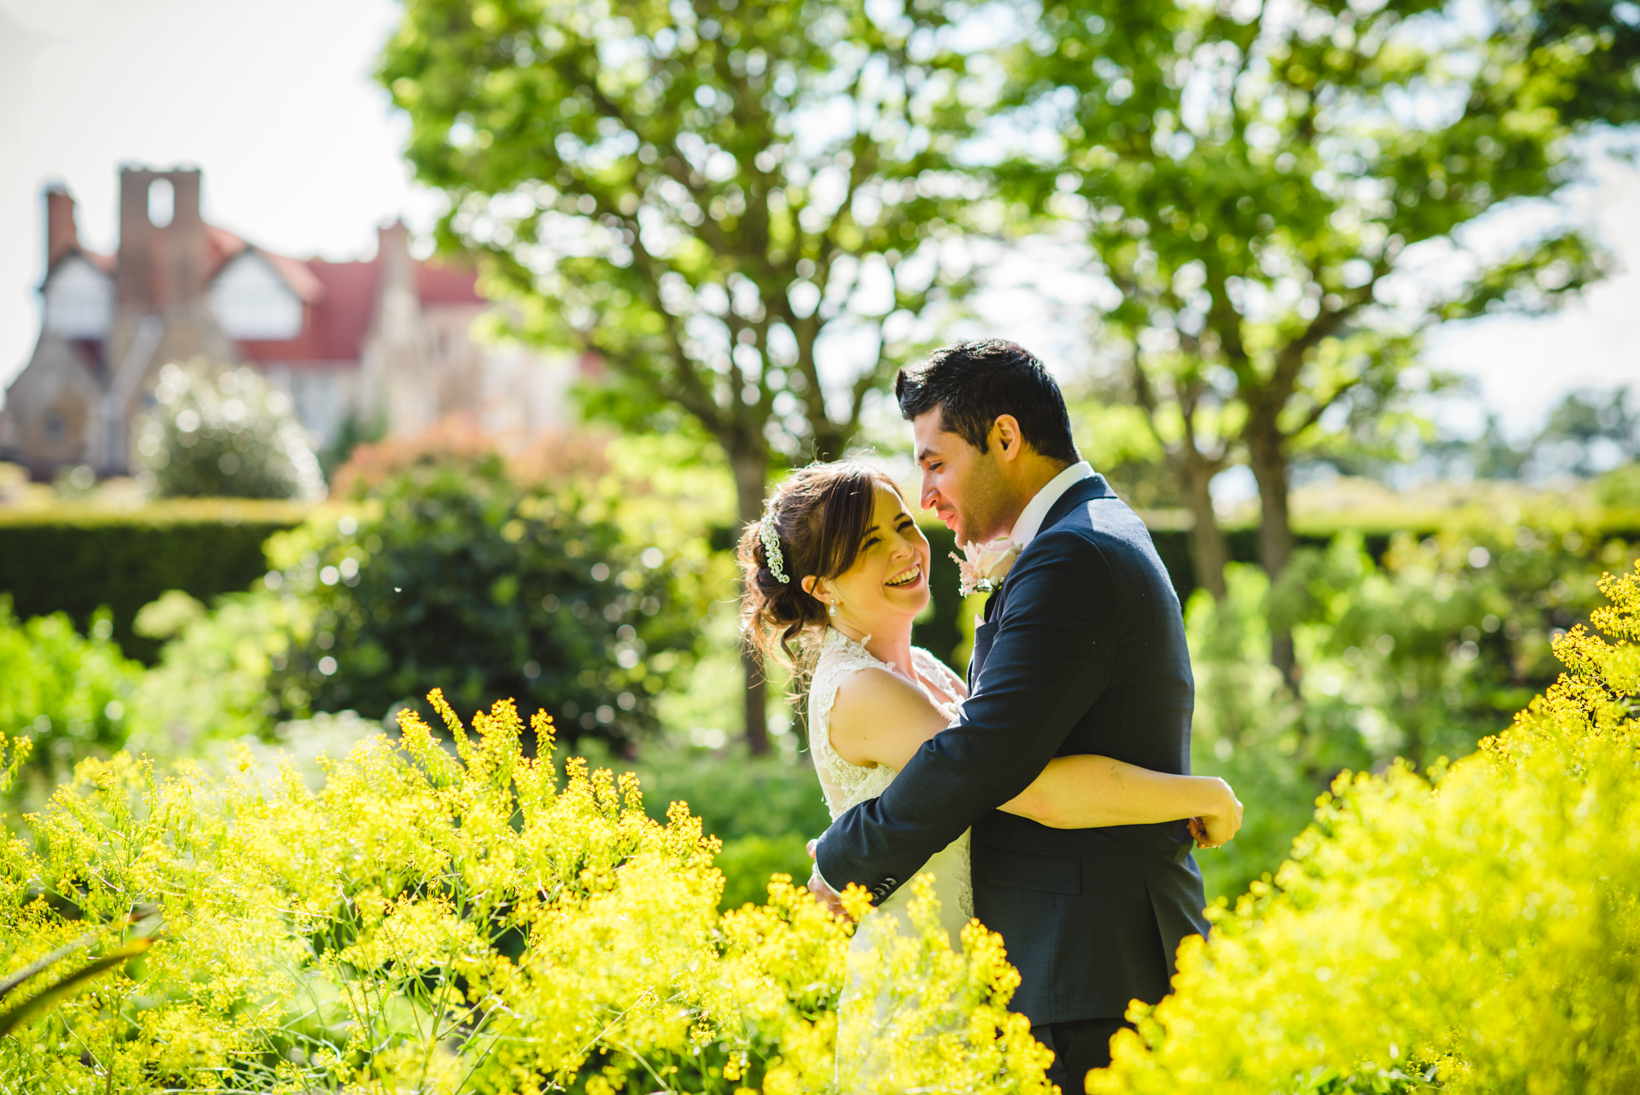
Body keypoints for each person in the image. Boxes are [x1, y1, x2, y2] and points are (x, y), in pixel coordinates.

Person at [739, 355, 1242, 1087]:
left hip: (1087, 962)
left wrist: (843, 855)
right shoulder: (1081, 535)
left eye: (935, 465)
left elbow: (987, 764)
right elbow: (999, 766)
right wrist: (1198, 794)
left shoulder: (1071, 552)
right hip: (1010, 973)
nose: (928, 495)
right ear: (821, 586)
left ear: (1005, 438)